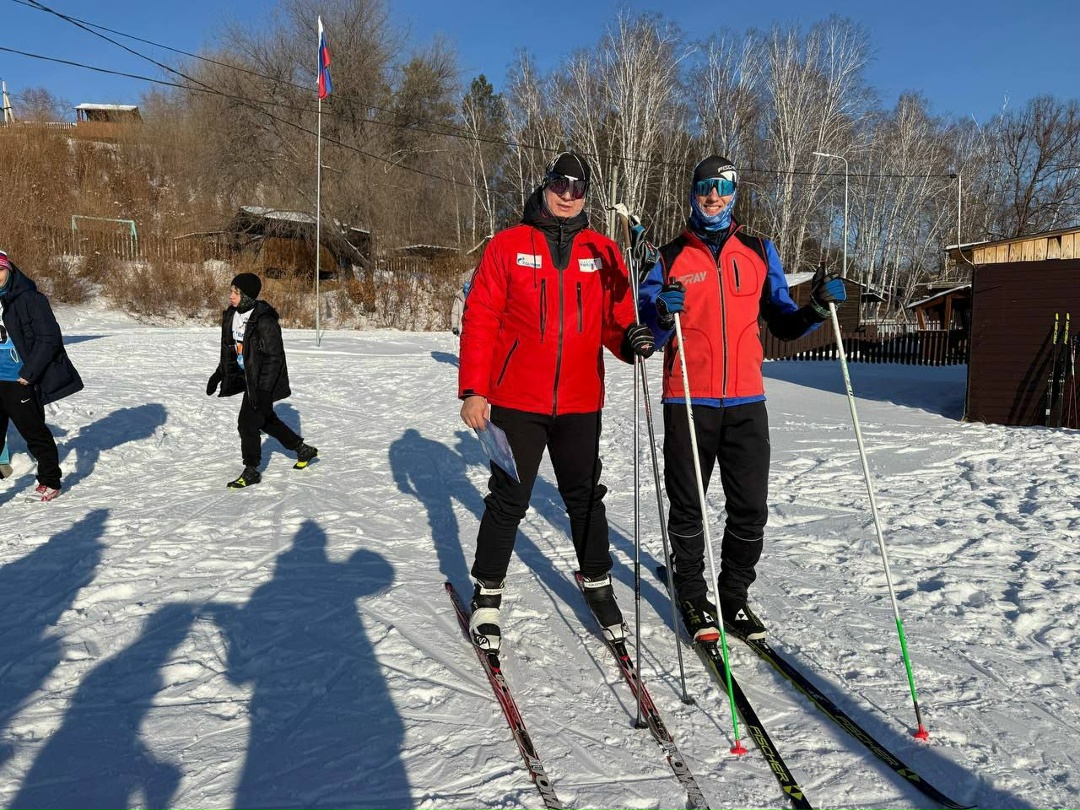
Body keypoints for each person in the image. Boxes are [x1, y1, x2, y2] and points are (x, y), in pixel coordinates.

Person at [637, 155, 847, 643]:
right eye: (705, 187)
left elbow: (783, 320)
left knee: (750, 508)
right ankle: (691, 596)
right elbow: (647, 335)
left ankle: (733, 597)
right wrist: (661, 317)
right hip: (688, 400)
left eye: (723, 188)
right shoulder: (668, 258)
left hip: (747, 401)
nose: (713, 196)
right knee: (688, 508)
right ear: (692, 193)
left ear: (734, 195)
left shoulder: (759, 250)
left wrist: (817, 307)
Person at [458, 151, 656, 652]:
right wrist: (474, 389)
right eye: (559, 184)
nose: (568, 194)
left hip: (579, 401)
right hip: (516, 397)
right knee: (509, 497)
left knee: (585, 496)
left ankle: (597, 583)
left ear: (586, 194)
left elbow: (615, 320)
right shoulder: (508, 245)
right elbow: (481, 318)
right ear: (545, 186)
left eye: (578, 187)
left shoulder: (605, 251)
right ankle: (487, 593)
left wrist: (630, 339)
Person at [206, 273, 318, 488]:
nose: (230, 296)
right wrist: (220, 373)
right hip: (248, 377)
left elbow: (274, 358)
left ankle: (251, 470)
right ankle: (303, 450)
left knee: (246, 424)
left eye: (235, 292)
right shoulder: (232, 315)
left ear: (246, 295)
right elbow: (231, 350)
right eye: (231, 291)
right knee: (264, 419)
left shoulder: (264, 320)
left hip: (262, 381)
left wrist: (264, 390)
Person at [0, 249, 84, 501]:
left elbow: (49, 338)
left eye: (0, 270)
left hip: (18, 379)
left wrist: (29, 373)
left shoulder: (30, 298)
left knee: (33, 431)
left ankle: (50, 479)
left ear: (9, 270)